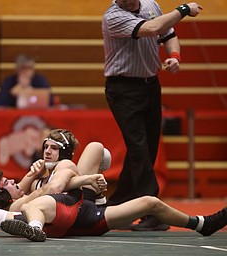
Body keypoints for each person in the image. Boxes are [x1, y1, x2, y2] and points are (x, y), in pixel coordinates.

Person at [0, 130, 226, 242]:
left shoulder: (52, 174)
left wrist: (85, 180)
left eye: (52, 146)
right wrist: (37, 181)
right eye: (9, 183)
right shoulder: (17, 204)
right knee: (36, 202)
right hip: (67, 213)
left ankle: (201, 224)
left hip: (81, 211)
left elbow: (64, 181)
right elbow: (44, 194)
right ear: (4, 196)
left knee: (149, 202)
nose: (15, 181)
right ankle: (34, 229)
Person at [102, 0, 203, 231]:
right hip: (123, 89)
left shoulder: (151, 5)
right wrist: (184, 10)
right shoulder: (112, 17)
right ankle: (153, 212)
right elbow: (153, 29)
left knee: (147, 148)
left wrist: (175, 56)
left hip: (150, 85)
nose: (123, 1)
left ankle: (119, 206)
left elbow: (168, 35)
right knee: (139, 147)